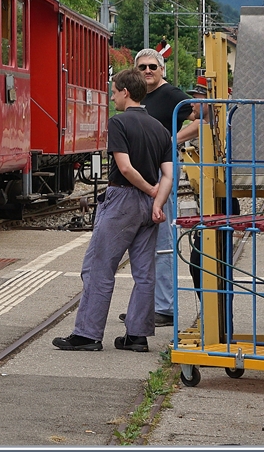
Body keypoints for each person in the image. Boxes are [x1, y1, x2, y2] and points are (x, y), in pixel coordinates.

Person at [53, 68, 172, 352]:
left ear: (126, 92)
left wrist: (149, 190)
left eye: (115, 92)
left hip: (122, 201)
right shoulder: (160, 128)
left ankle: (87, 335)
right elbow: (168, 174)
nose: (113, 97)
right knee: (144, 273)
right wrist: (157, 201)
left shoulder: (118, 123)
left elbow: (125, 168)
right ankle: (137, 336)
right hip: (149, 209)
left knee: (98, 268)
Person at [134, 48, 200, 328]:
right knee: (143, 244)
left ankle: (165, 307)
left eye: (153, 66)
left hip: (163, 173)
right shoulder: (137, 95)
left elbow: (202, 118)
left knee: (162, 241)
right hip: (141, 172)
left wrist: (174, 138)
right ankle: (146, 306)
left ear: (162, 69)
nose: (148, 71)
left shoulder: (172, 95)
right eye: (142, 67)